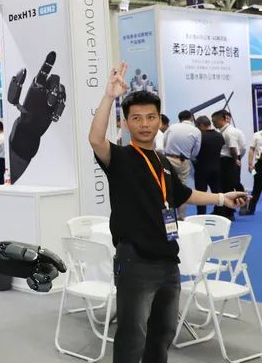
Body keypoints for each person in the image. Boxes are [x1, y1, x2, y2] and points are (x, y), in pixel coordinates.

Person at [89, 63, 248, 363]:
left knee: (162, 335)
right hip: (135, 261)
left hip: (168, 261)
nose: (144, 124)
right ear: (126, 123)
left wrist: (221, 198)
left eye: (151, 117)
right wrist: (109, 96)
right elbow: (96, 140)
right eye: (136, 118)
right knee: (131, 338)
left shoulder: (162, 162)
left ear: (159, 121)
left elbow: (183, 194)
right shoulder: (120, 158)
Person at [163, 110, 201, 218]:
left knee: (166, 188)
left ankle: (168, 218)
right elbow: (196, 151)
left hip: (168, 159)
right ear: (191, 118)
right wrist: (189, 156)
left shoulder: (172, 127)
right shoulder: (196, 131)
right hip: (183, 161)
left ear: (179, 118)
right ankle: (181, 216)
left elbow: (164, 143)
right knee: (182, 188)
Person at [212, 110, 245, 220]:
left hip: (229, 161)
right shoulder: (225, 131)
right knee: (230, 184)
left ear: (222, 119)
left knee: (228, 187)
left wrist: (235, 159)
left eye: (215, 121)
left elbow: (233, 148)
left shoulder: (228, 132)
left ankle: (229, 213)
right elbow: (241, 148)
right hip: (229, 160)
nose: (213, 124)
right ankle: (226, 210)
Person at [193, 116, 225, 215]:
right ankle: (221, 213)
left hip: (201, 168)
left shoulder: (200, 136)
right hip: (216, 167)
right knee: (218, 192)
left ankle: (201, 215)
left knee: (201, 193)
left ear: (201, 125)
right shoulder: (219, 135)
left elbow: (194, 152)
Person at [243, 125, 262, 216]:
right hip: (260, 164)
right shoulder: (256, 135)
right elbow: (251, 149)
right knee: (256, 188)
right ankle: (250, 209)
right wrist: (250, 164)